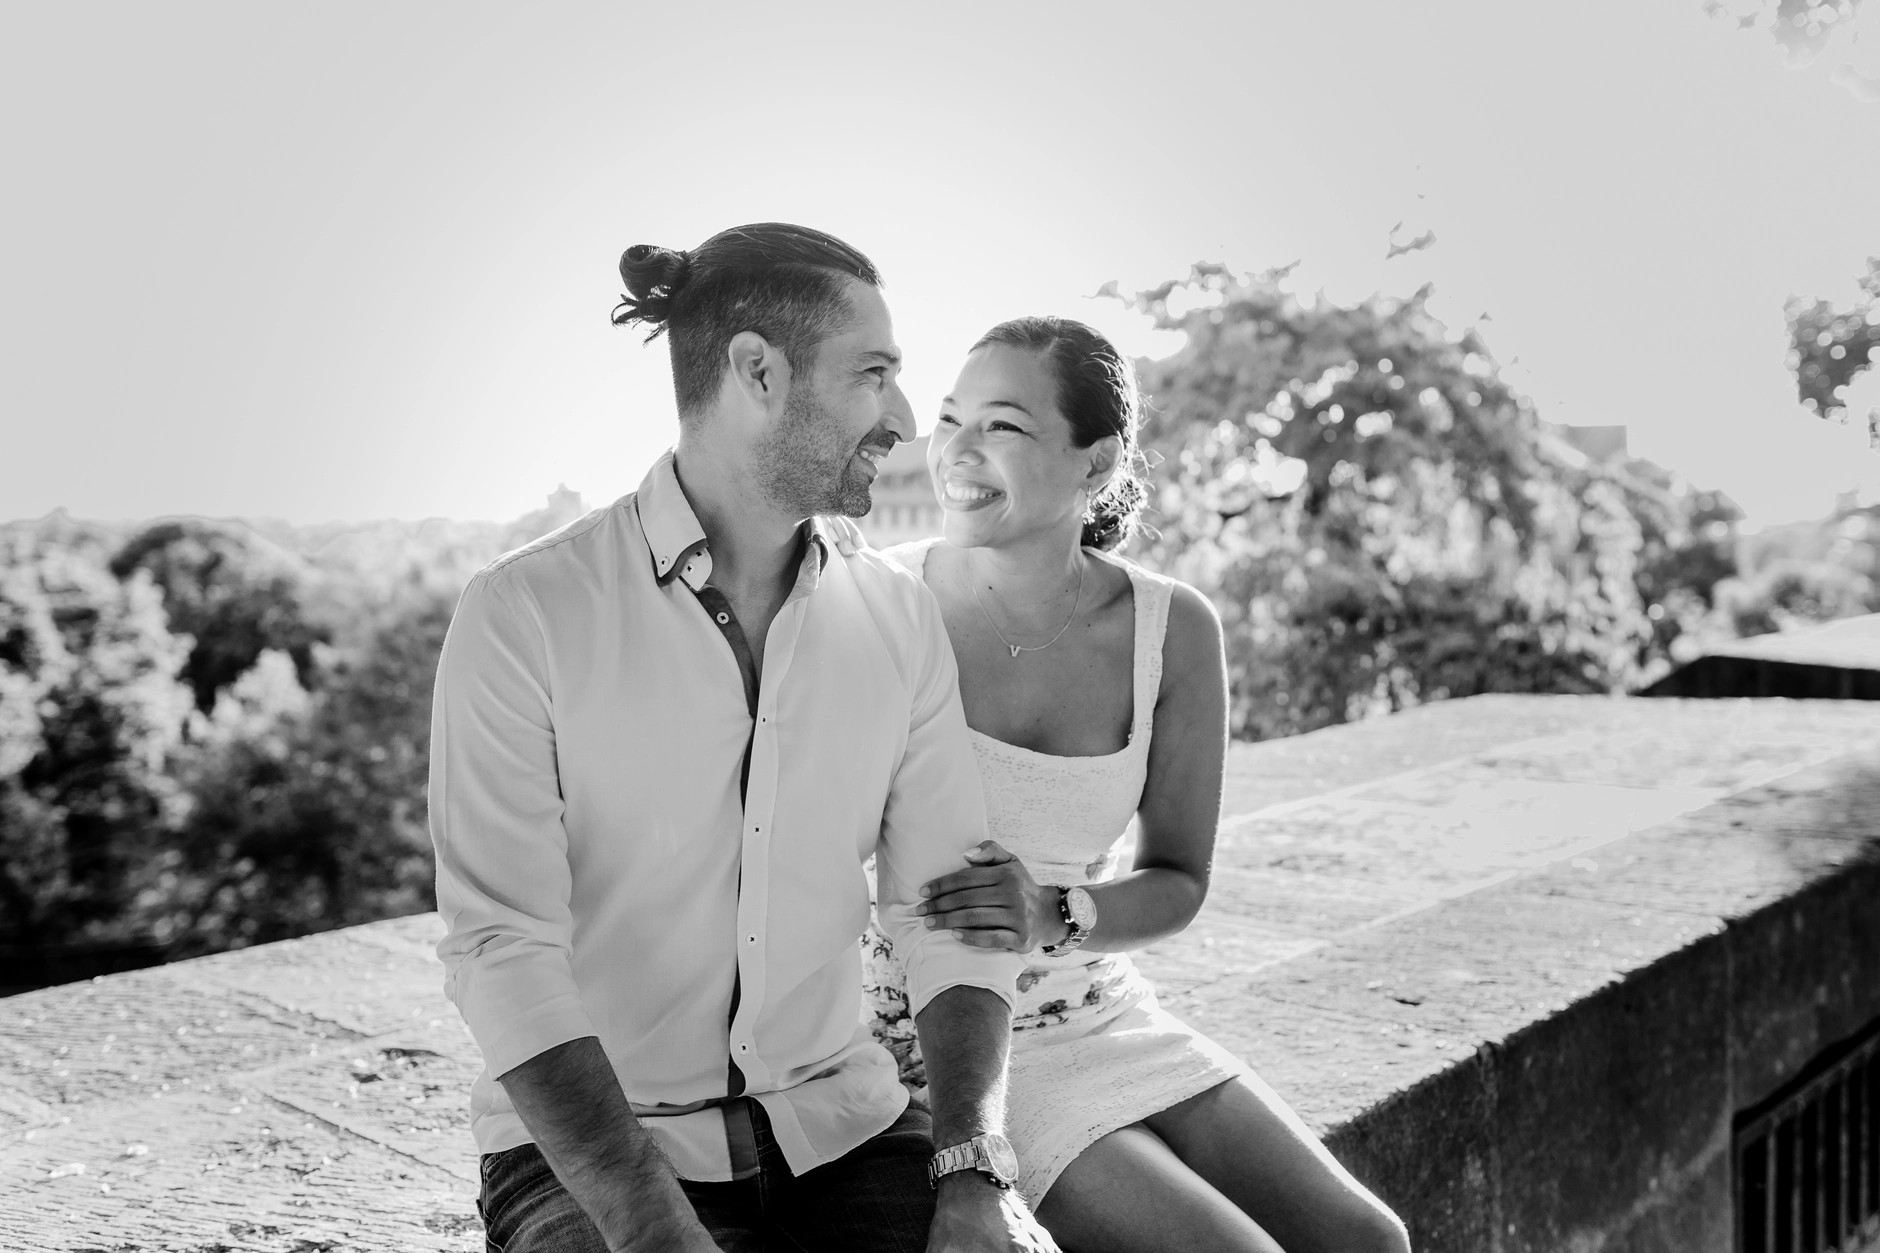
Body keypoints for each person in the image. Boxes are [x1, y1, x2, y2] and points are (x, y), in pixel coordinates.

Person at [430, 224, 1057, 1253]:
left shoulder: (898, 616)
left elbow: (946, 912)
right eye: (873, 374)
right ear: (758, 372)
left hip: (844, 1127)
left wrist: (975, 1166)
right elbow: (502, 950)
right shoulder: (525, 612)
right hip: (597, 1155)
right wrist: (650, 1224)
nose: (906, 419)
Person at [862, 316, 1412, 1253]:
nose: (957, 450)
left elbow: (1179, 877)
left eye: (1002, 425)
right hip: (939, 1043)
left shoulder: (1173, 629)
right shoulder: (880, 601)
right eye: (951, 419)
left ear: (1097, 459)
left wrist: (1055, 912)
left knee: (1372, 1240)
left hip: (1099, 1010)